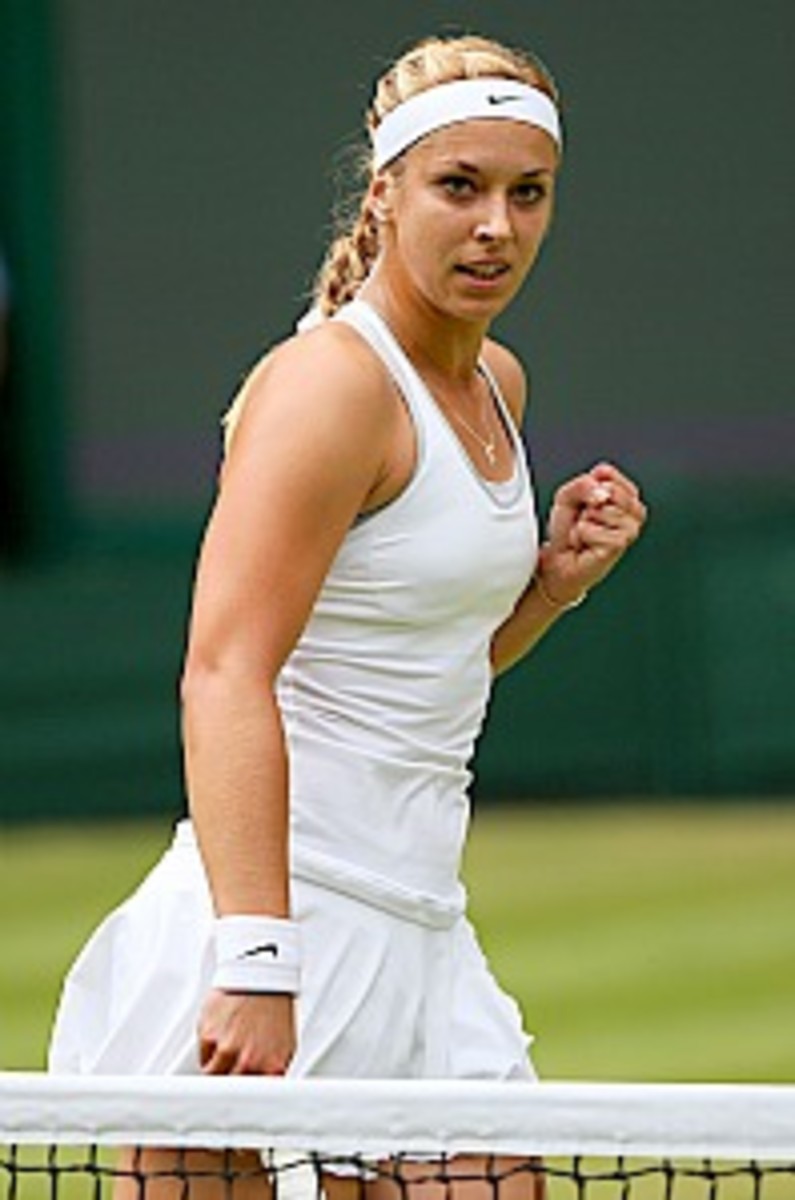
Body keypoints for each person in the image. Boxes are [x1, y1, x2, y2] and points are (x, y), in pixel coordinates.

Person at [49, 31, 647, 1200]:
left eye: (528, 194)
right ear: (385, 196)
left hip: (423, 931)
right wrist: (257, 958)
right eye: (458, 187)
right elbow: (225, 670)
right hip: (276, 919)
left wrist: (550, 587)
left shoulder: (496, 386)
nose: (496, 227)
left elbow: (428, 677)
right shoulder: (331, 387)